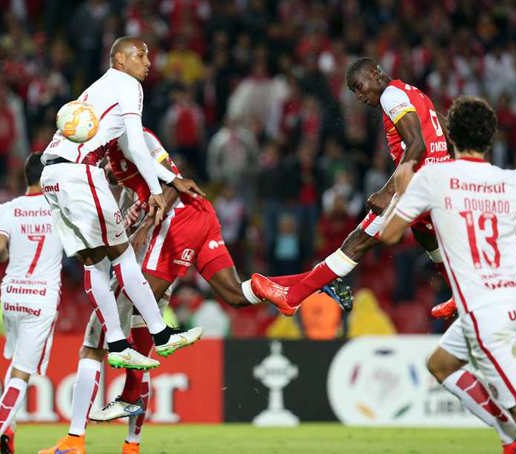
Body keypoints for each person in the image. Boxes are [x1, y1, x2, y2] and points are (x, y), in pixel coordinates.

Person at [64, 129, 353, 454]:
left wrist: (143, 230)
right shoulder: (120, 176)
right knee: (235, 294)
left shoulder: (136, 138)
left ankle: (130, 399)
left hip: (180, 220)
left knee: (136, 299)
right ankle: (319, 280)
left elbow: (172, 182)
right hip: (202, 216)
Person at [379, 96, 516, 454]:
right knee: (440, 364)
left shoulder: (434, 177)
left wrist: (402, 189)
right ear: (491, 139)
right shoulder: (513, 180)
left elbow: (389, 234)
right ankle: (512, 438)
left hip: (484, 314)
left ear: (449, 135)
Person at [37, 37, 204, 454]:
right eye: (142, 54)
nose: (149, 61)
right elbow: (133, 143)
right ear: (121, 59)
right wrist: (155, 192)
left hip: (63, 188)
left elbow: (141, 158)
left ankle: (114, 432)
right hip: (83, 186)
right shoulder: (125, 97)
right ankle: (156, 338)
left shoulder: (107, 103)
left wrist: (162, 186)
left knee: (101, 282)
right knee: (117, 276)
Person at [251, 57, 454, 317]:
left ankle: (292, 297)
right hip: (440, 184)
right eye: (354, 91)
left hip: (416, 186)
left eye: (360, 86)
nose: (359, 95)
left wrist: (387, 191)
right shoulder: (412, 92)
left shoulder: (391, 96)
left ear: (376, 73)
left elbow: (416, 145)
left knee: (357, 241)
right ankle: (459, 295)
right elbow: (444, 126)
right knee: (427, 237)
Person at [0, 153, 65, 454]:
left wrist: (8, 255)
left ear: (25, 177)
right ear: (48, 178)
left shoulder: (8, 209)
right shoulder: (59, 209)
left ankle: (8, 434)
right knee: (22, 374)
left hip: (11, 295)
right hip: (40, 299)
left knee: (16, 363)